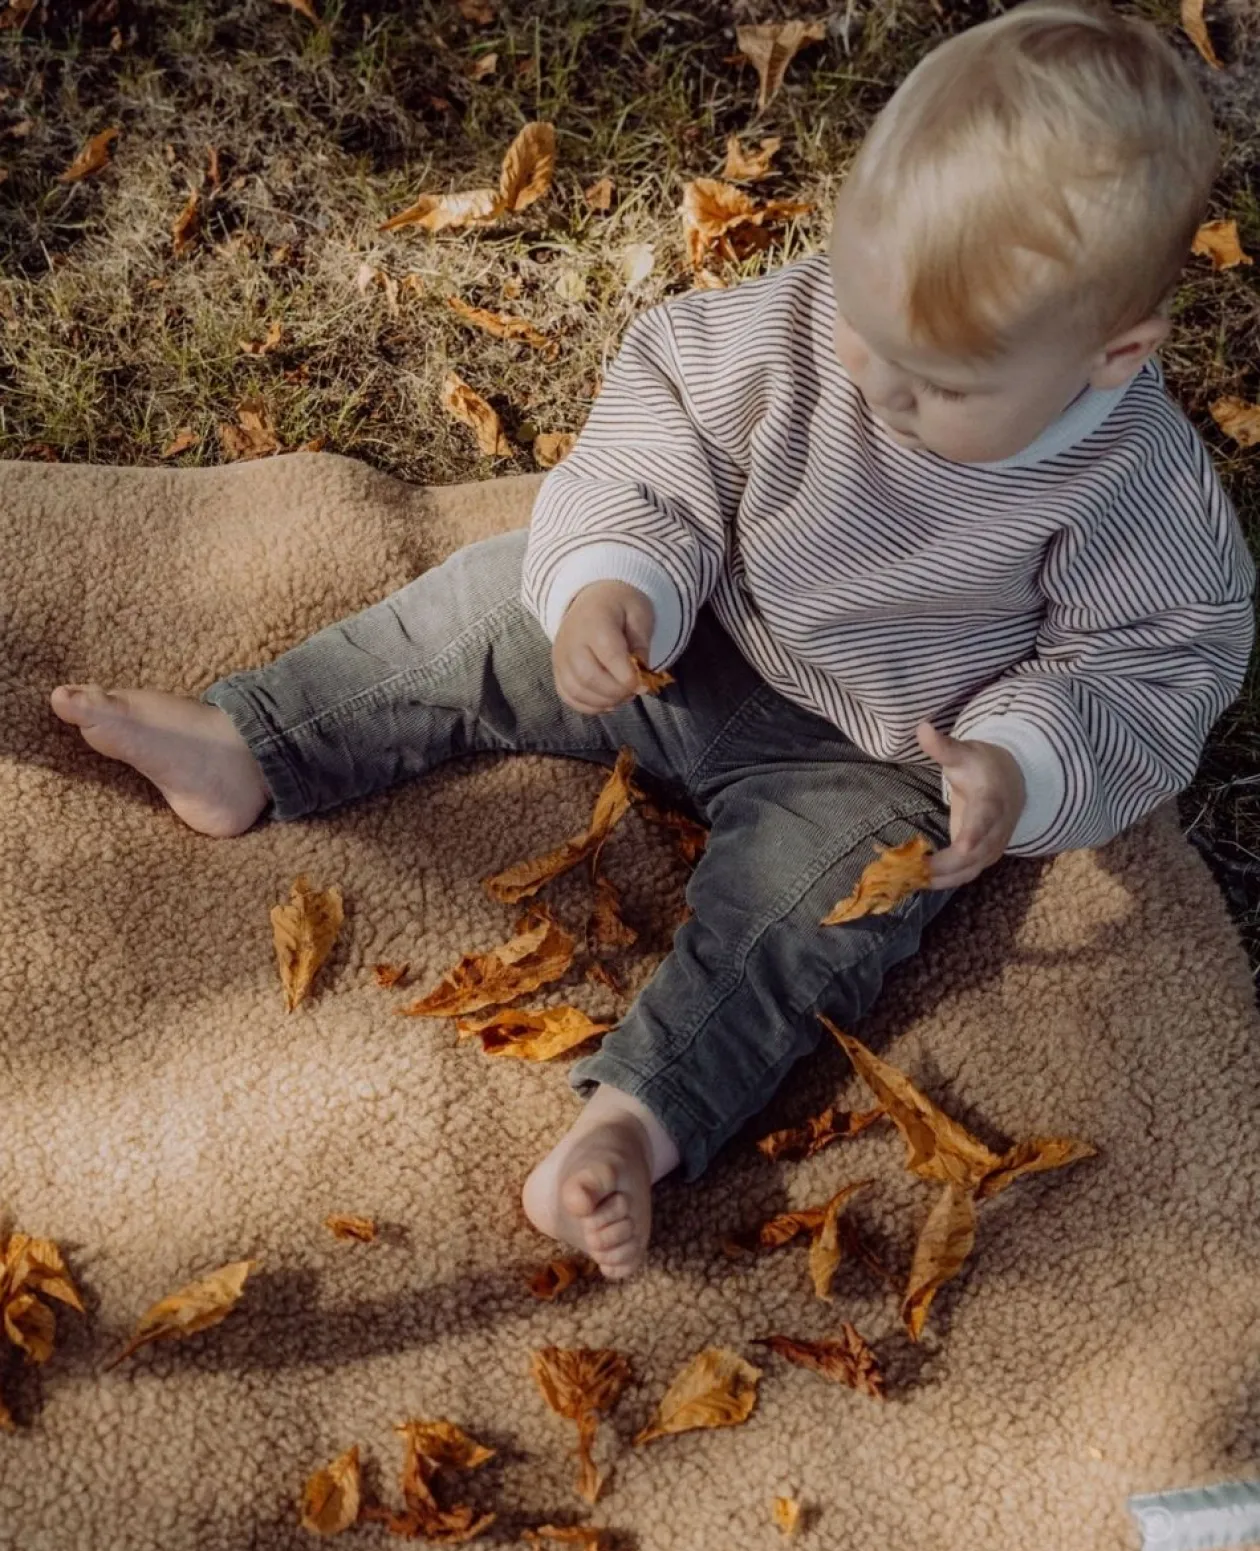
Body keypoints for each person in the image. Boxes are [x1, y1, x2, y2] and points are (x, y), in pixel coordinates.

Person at [48, 1, 1255, 1282]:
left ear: (1114, 355)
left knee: (802, 929)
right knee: (483, 609)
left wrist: (1016, 765)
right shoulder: (797, 332)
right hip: (694, 628)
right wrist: (615, 581)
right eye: (863, 323)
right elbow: (659, 428)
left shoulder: (1137, 493)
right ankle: (258, 739)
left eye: (942, 385)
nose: (878, 385)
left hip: (878, 759)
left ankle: (634, 1118)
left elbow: (1149, 662)